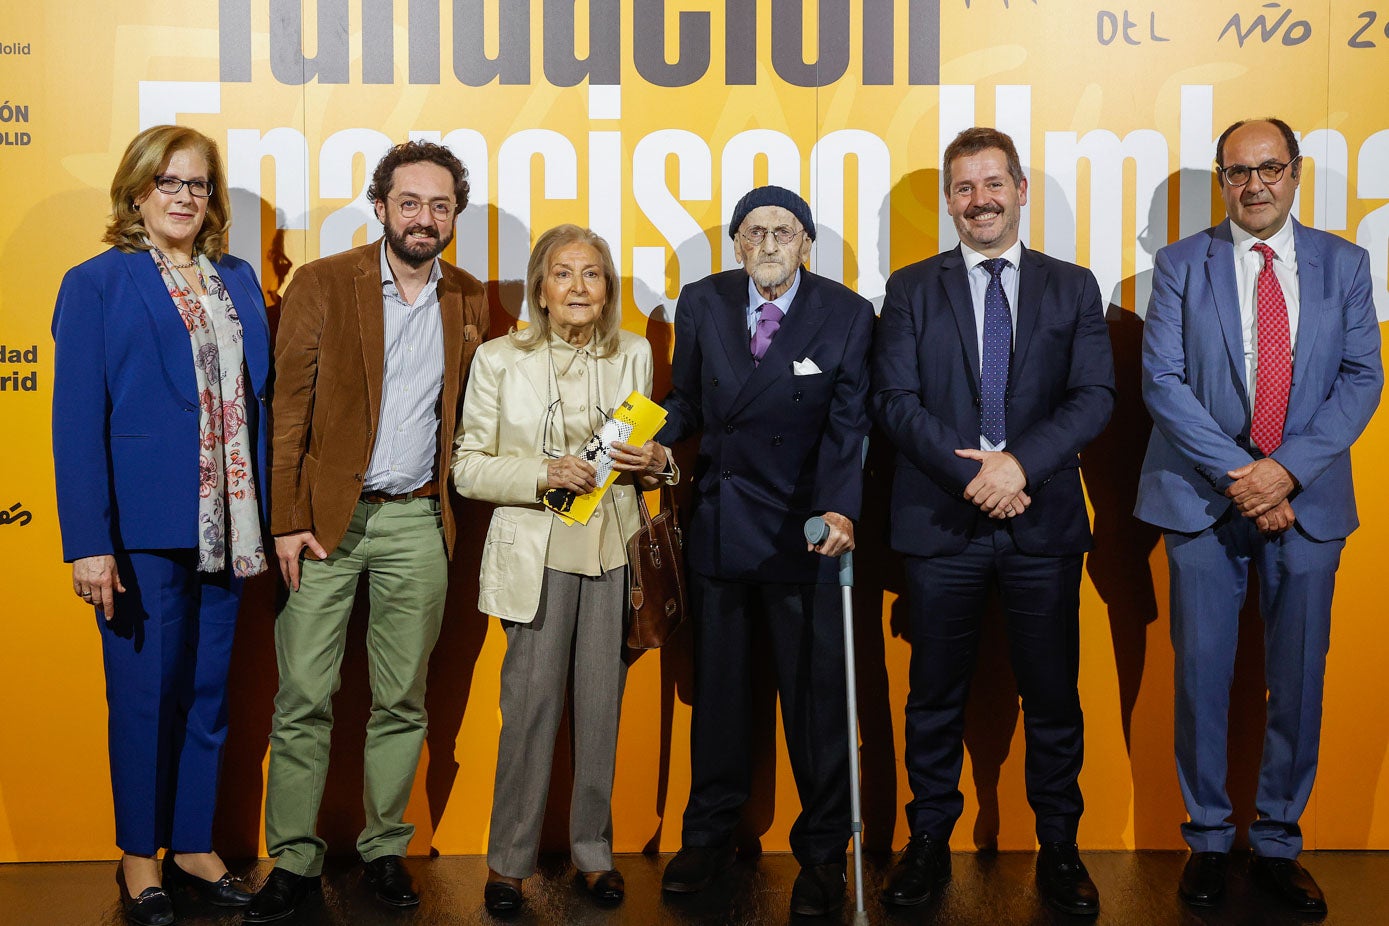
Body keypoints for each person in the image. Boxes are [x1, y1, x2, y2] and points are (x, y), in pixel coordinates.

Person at [1135, 117, 1382, 915]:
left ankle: (1277, 841)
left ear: (1295, 171)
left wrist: (1284, 473)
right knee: (1201, 678)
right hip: (1202, 501)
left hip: (1306, 503)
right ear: (1221, 180)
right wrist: (1244, 476)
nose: (1253, 185)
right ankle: (1207, 840)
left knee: (1298, 682)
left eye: (1268, 168)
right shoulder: (1178, 264)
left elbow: (1359, 378)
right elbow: (1163, 383)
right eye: (1236, 172)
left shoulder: (1344, 263)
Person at [870, 127, 1115, 916]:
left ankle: (1060, 848)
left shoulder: (1072, 285)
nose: (979, 200)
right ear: (949, 201)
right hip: (941, 524)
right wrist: (976, 478)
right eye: (963, 188)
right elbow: (894, 404)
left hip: (1041, 523)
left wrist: (1018, 467)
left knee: (1050, 698)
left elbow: (1093, 398)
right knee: (933, 697)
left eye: (992, 184)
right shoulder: (909, 288)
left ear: (1020, 190)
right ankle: (927, 844)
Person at [245, 140, 489, 922]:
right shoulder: (323, 283)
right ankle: (293, 859)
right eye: (410, 202)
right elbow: (287, 413)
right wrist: (284, 518)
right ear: (380, 206)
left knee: (401, 701)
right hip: (322, 526)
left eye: (441, 204)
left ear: (456, 214)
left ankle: (386, 850)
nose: (425, 217)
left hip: (418, 518)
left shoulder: (469, 298)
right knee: (304, 698)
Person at [52, 124, 270, 925]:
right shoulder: (97, 282)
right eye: (170, 183)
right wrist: (89, 542)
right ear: (137, 191)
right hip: (141, 528)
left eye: (199, 185)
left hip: (231, 522)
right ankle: (139, 854)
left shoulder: (239, 280)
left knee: (209, 693)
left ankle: (192, 842)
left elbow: (259, 400)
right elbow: (76, 421)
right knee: (143, 694)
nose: (185, 197)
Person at [656, 186, 874, 918]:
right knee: (718, 696)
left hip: (805, 534)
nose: (771, 244)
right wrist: (652, 435)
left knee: (814, 705)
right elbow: (685, 399)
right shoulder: (703, 301)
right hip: (720, 526)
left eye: (785, 231)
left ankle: (821, 855)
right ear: (737, 243)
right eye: (756, 232)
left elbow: (850, 426)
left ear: (806, 242)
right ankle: (708, 836)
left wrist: (840, 506)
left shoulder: (845, 313)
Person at [452, 224, 670, 914]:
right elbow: (465, 467)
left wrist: (656, 463)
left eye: (593, 275)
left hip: (611, 552)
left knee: (600, 711)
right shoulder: (496, 360)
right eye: (562, 274)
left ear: (607, 290)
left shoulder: (635, 354)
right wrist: (542, 471)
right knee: (531, 709)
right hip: (534, 554)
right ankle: (508, 864)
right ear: (538, 290)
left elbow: (642, 458)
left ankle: (593, 855)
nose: (578, 287)